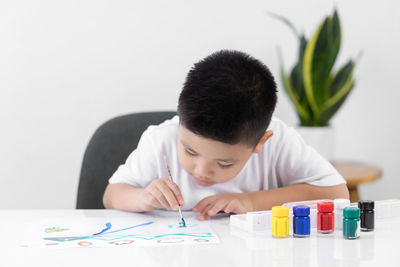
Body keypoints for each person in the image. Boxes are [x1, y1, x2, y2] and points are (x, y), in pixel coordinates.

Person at [103, 50, 349, 220]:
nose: (201, 170)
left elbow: (337, 193)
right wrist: (142, 198)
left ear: (260, 143)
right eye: (189, 151)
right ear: (180, 125)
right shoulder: (160, 141)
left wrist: (251, 202)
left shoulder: (280, 142)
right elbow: (111, 196)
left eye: (224, 163)